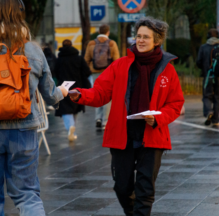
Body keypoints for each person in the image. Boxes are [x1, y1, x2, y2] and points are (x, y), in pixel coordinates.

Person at [0, 0, 68, 215]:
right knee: (27, 194)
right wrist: (61, 92)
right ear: (20, 17)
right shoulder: (33, 50)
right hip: (24, 129)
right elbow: (50, 95)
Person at [69, 17, 184, 215]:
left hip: (153, 136)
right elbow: (100, 92)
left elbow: (175, 104)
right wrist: (80, 94)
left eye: (145, 37)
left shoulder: (168, 70)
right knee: (122, 188)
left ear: (156, 41)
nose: (140, 40)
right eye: (138, 36)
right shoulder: (120, 65)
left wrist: (158, 117)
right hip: (123, 136)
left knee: (145, 190)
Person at [54, 39, 91, 141]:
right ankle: (72, 128)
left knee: (66, 109)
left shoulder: (59, 59)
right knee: (75, 108)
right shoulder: (78, 58)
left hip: (63, 87)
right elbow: (87, 72)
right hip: (77, 86)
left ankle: (70, 128)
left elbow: (55, 73)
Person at [84, 24, 120, 129]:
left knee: (97, 95)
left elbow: (86, 59)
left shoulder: (91, 43)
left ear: (99, 31)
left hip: (95, 73)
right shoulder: (112, 43)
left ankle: (98, 118)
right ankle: (105, 121)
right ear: (108, 32)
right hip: (108, 73)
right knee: (107, 97)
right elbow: (117, 61)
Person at [196, 28, 219, 127]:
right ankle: (216, 120)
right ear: (218, 37)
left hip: (208, 76)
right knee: (218, 97)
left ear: (208, 37)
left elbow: (198, 62)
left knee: (207, 96)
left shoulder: (203, 47)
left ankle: (209, 111)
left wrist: (205, 68)